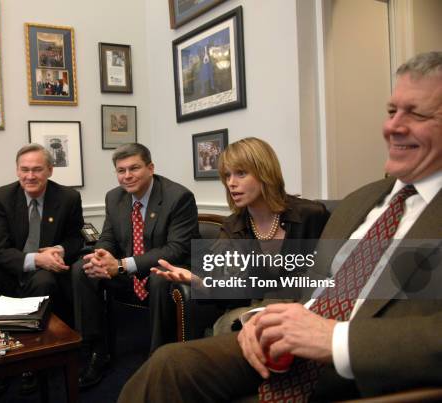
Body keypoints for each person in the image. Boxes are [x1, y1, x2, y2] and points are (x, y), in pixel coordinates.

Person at [119, 51, 442, 402]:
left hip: (363, 360)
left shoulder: (312, 214)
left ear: (265, 173)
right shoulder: (357, 202)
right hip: (280, 326)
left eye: (418, 113)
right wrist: (249, 308)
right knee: (168, 363)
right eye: (392, 111)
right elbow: (292, 287)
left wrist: (331, 338)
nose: (392, 126)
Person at [152, 137, 329, 335]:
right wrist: (200, 283)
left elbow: (329, 275)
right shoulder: (231, 227)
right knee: (228, 327)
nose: (231, 183)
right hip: (254, 309)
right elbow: (233, 290)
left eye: (241, 174)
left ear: (265, 173)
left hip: (307, 306)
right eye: (227, 176)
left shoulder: (311, 215)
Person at [72, 143, 199, 388]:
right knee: (83, 268)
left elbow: (176, 250)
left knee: (160, 276)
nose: (127, 176)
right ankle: (97, 351)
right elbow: (108, 237)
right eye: (121, 170)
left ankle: (158, 359)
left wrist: (121, 265)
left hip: (165, 272)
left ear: (150, 168)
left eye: (134, 168)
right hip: (128, 274)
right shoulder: (114, 197)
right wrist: (101, 255)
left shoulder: (178, 197)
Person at [0, 144, 84, 321]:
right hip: (10, 267)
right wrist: (37, 259)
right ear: (17, 171)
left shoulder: (68, 198)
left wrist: (60, 250)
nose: (30, 176)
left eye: (37, 170)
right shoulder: (2, 197)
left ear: (50, 171)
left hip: (46, 272)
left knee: (44, 281)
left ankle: (39, 338)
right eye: (24, 170)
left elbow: (75, 238)